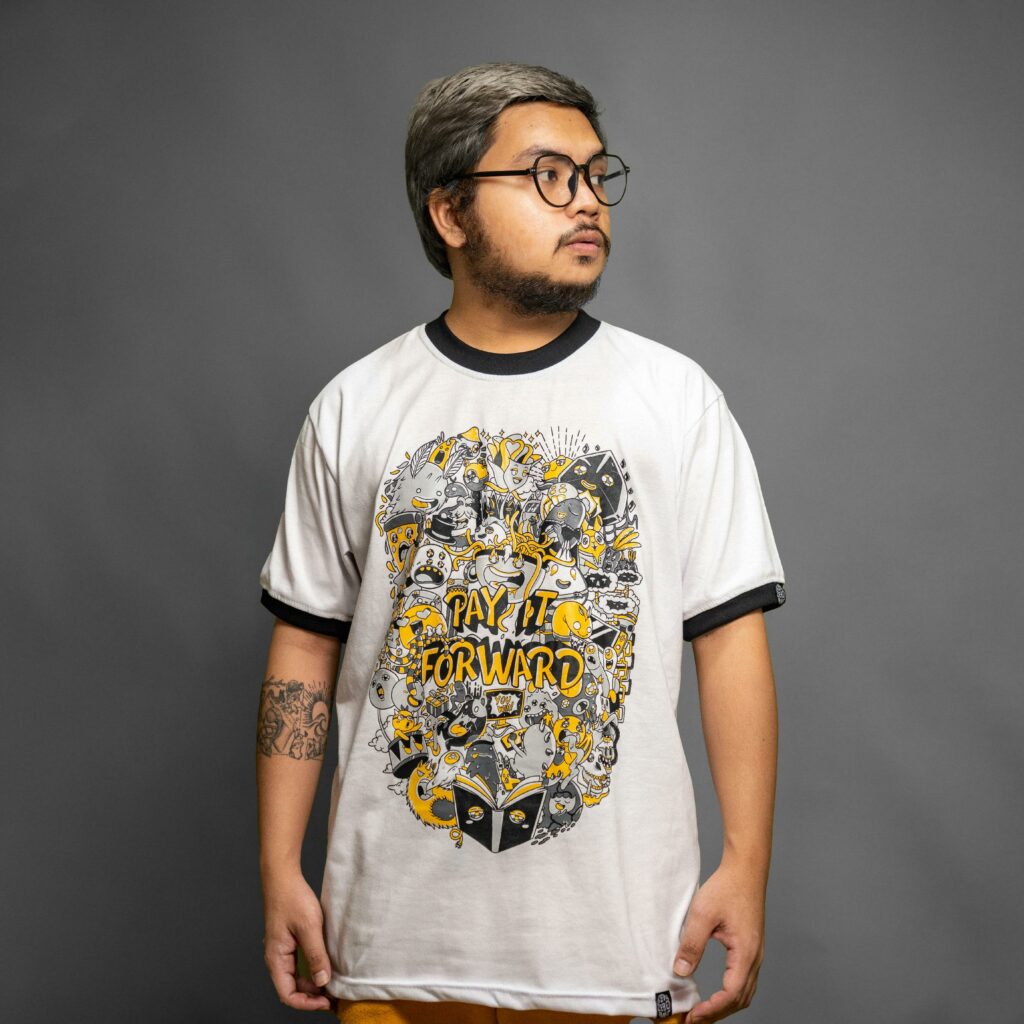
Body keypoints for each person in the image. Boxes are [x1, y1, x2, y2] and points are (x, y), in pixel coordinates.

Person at [256, 62, 786, 1024]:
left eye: (594, 174)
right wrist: (277, 865)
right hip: (387, 955)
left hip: (620, 950)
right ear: (450, 213)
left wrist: (746, 864)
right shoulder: (355, 406)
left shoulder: (676, 399)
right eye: (547, 175)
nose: (586, 203)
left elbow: (730, 640)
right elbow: (303, 645)